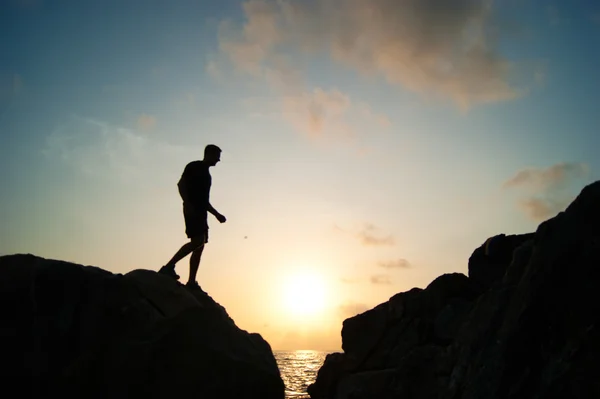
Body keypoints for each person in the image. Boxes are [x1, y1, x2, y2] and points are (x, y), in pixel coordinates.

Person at [159, 144, 226, 287]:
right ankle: (168, 267)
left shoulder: (208, 175)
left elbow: (205, 201)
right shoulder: (194, 166)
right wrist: (187, 204)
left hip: (201, 212)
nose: (218, 160)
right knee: (197, 242)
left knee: (200, 246)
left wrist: (216, 214)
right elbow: (181, 184)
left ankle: (191, 281)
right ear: (209, 154)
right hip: (192, 210)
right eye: (217, 157)